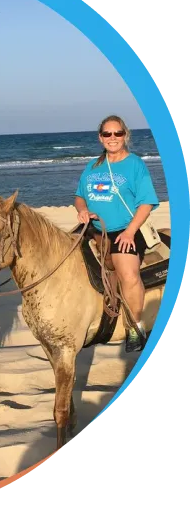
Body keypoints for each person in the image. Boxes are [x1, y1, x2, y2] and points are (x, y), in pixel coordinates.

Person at [74, 114, 159, 353]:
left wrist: (130, 232)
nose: (113, 137)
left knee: (128, 275)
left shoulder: (135, 164)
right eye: (107, 134)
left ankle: (136, 327)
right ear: (100, 138)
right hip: (94, 230)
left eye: (118, 133)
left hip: (125, 230)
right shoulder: (93, 166)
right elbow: (79, 196)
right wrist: (82, 211)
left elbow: (146, 203)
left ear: (125, 135)